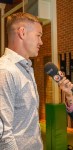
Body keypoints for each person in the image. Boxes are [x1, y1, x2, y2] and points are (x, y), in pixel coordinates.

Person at [0, 12, 43, 149]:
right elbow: (4, 135)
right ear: (22, 33)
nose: (41, 42)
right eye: (38, 35)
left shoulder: (26, 67)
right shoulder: (6, 71)